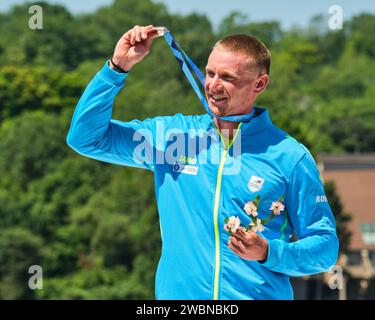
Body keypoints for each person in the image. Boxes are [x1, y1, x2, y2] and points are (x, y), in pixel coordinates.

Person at [67, 25, 339, 300]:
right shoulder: (172, 138)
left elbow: (325, 249)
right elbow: (86, 138)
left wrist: (271, 253)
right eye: (210, 73)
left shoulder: (290, 157)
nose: (213, 85)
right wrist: (117, 68)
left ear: (260, 84)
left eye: (227, 77)